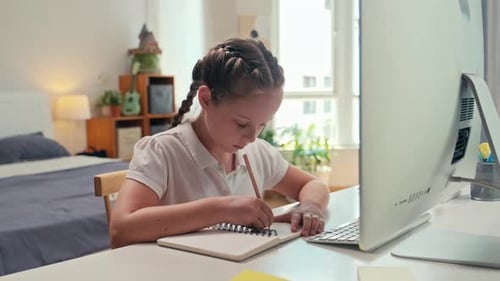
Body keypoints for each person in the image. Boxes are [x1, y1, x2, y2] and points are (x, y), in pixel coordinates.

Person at [110, 38, 330, 248]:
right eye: (241, 124)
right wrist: (220, 209)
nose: (253, 137)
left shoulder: (256, 152)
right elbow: (121, 229)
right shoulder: (162, 151)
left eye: (262, 124)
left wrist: (310, 206)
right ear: (206, 99)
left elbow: (313, 185)